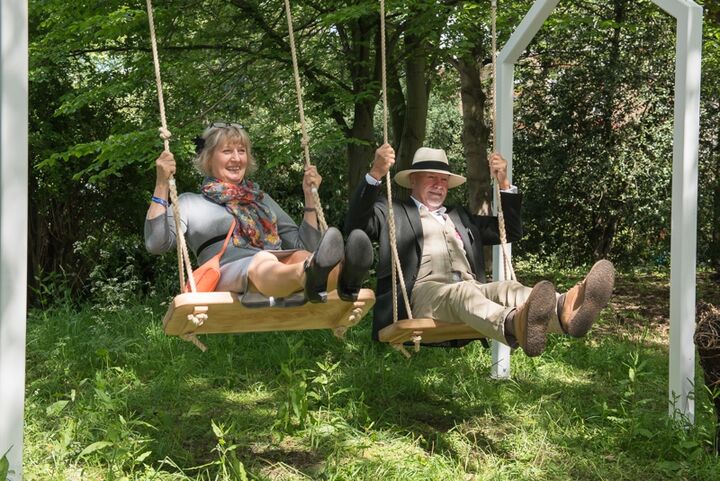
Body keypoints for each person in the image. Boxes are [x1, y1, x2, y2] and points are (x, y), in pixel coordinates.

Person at [345, 143, 615, 356]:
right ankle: (513, 324)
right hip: (422, 295)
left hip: (469, 287)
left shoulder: (460, 217)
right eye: (431, 178)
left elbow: (509, 229)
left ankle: (565, 309)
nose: (439, 185)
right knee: (462, 293)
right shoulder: (393, 210)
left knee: (507, 288)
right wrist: (376, 173)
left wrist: (504, 183)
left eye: (443, 180)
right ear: (413, 180)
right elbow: (356, 223)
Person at [145, 122, 373, 305]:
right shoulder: (191, 202)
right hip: (228, 272)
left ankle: (346, 278)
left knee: (300, 256)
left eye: (241, 151)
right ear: (208, 158)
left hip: (275, 268)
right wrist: (162, 184)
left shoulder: (261, 200)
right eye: (227, 151)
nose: (236, 158)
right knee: (264, 259)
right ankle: (317, 274)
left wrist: (310, 197)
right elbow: (156, 244)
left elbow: (306, 245)